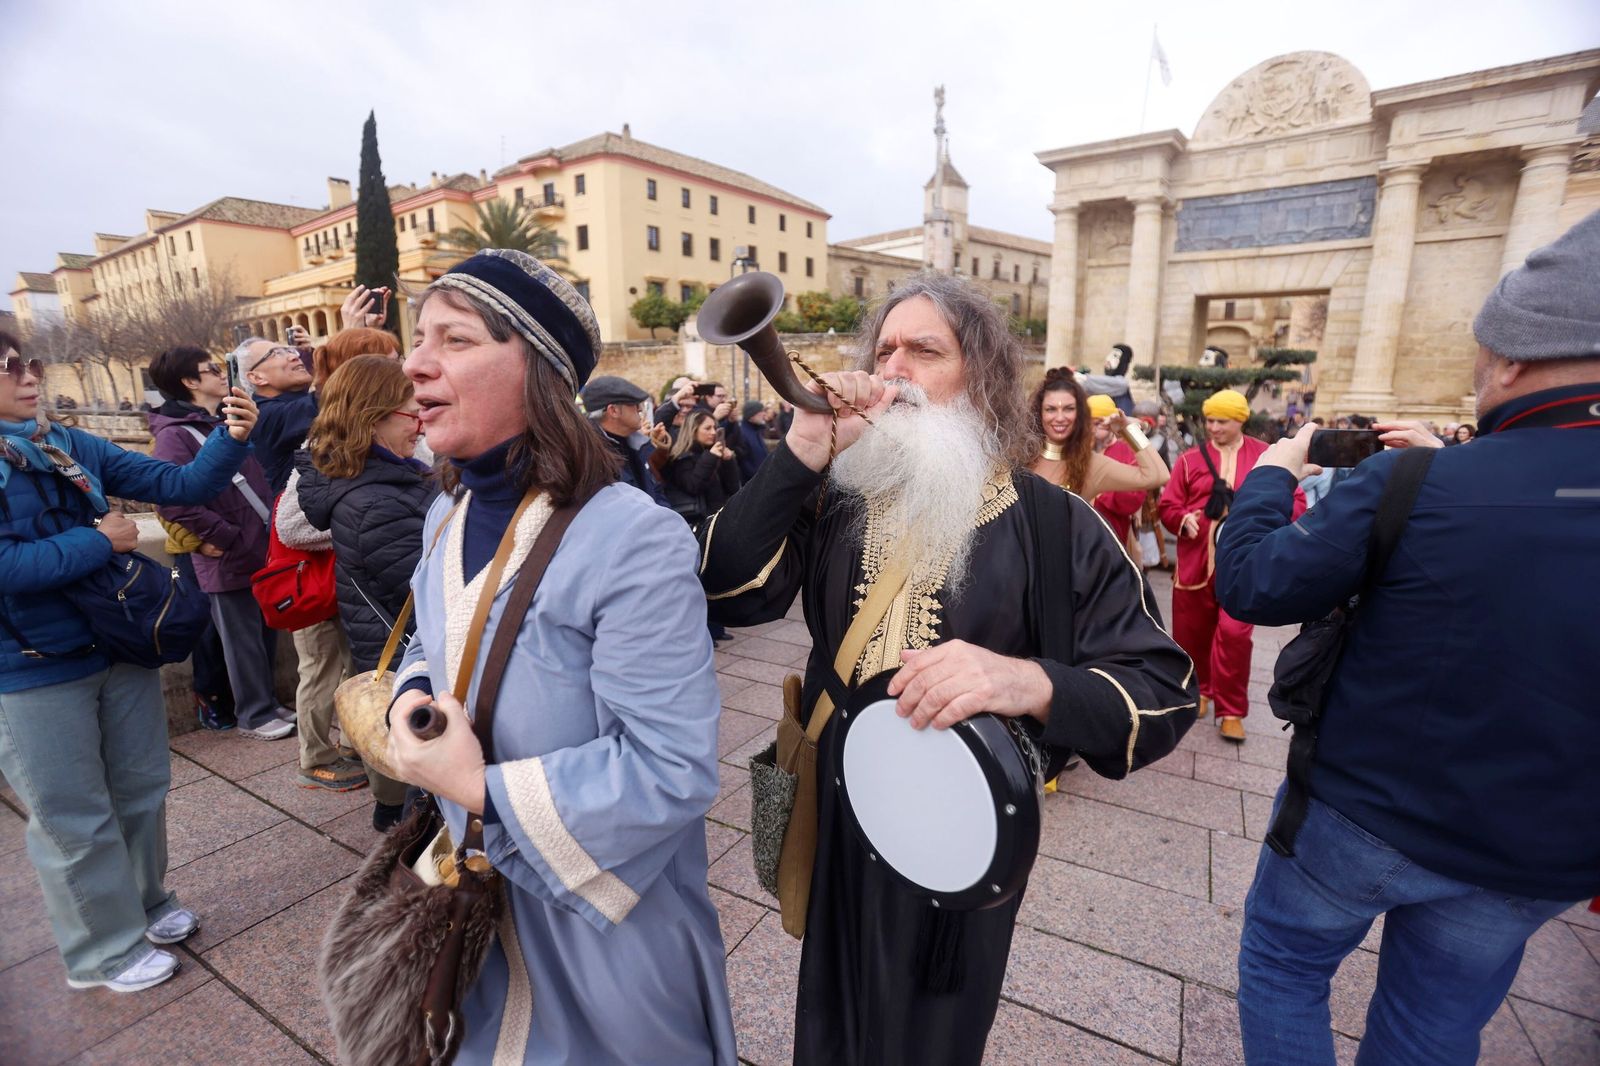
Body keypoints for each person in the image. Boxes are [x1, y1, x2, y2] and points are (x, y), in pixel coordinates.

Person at [697, 274, 1195, 1064]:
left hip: (967, 834)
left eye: (924, 351)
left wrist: (1027, 682)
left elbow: (1164, 692)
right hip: (837, 808)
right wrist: (800, 451)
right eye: (885, 349)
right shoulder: (834, 496)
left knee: (936, 1033)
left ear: (982, 378)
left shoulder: (1055, 522)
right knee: (830, 1018)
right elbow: (726, 584)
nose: (895, 368)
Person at [1215, 211, 1600, 1066]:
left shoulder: (1417, 482)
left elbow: (1254, 582)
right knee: (1432, 1029)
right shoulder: (1437, 474)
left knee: (1284, 969)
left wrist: (1276, 472)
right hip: (1537, 856)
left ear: (1509, 355)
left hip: (1365, 816)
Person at [382, 249, 736, 1063]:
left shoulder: (632, 537)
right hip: (471, 903)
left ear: (537, 370)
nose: (416, 361)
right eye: (418, 337)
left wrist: (471, 785)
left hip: (600, 923)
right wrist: (411, 699)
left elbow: (673, 766)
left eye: (456, 339)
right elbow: (432, 646)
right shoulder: (446, 513)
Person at [0, 329, 258, 992]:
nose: (29, 378)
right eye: (9, 369)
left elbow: (179, 481)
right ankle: (103, 953)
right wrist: (98, 540)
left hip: (114, 640)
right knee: (72, 818)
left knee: (141, 789)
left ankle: (146, 905)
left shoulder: (65, 444)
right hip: (29, 667)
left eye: (29, 364)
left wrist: (231, 433)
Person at [297, 355, 435, 818]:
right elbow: (435, 599)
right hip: (408, 665)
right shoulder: (375, 502)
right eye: (413, 413)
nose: (422, 425)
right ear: (372, 419)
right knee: (419, 796)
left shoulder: (382, 480)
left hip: (393, 653)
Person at [148, 346, 296, 741]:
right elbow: (172, 498)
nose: (219, 374)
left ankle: (267, 703)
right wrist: (226, 537)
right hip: (231, 552)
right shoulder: (175, 435)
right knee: (242, 639)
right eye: (209, 369)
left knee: (263, 632)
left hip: (255, 546)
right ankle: (254, 712)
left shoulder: (216, 422)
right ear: (189, 382)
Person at [1159, 389, 1304, 742]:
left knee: (1235, 635)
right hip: (1196, 563)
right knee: (1191, 634)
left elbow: (1296, 500)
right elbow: (1168, 504)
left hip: (1245, 564)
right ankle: (1201, 690)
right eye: (1209, 420)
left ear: (1240, 420)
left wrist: (1271, 524)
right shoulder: (1190, 460)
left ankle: (1232, 709)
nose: (1213, 427)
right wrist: (1182, 519)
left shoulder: (1268, 456)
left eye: (1221, 421)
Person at [1027, 366, 1168, 502]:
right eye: (1051, 409)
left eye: (1068, 409)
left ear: (1080, 414)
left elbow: (1158, 476)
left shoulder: (1091, 465)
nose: (1060, 418)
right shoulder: (1020, 457)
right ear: (1039, 413)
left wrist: (1128, 429)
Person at [238, 336, 317, 495]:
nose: (294, 356)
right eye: (276, 353)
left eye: (290, 350)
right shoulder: (261, 415)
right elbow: (332, 401)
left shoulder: (296, 399)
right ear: (256, 377)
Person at [580, 374, 664, 503]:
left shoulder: (635, 444)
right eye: (634, 404)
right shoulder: (592, 457)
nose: (640, 409)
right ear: (613, 410)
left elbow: (655, 490)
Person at [665, 409, 741, 526]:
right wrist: (710, 457)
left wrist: (728, 462)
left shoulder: (711, 453)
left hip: (718, 517)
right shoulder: (682, 457)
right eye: (707, 428)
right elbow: (693, 486)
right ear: (693, 430)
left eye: (715, 428)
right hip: (697, 521)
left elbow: (733, 488)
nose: (713, 432)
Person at [735, 399, 772, 482]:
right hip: (753, 482)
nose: (764, 414)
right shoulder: (743, 434)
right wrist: (757, 477)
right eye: (760, 411)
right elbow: (744, 462)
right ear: (751, 415)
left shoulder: (756, 431)